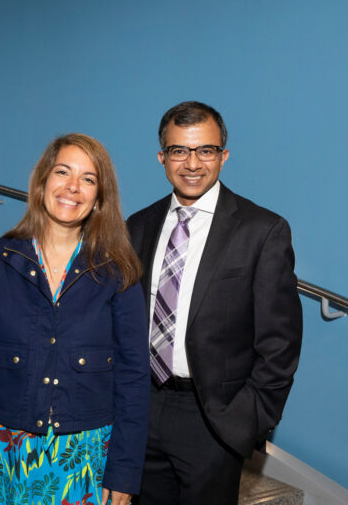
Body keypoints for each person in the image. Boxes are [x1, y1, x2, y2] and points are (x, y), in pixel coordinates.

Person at [0, 133, 150, 505]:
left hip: (84, 460)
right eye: (63, 172)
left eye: (88, 179)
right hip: (2, 453)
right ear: (42, 182)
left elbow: (134, 378)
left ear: (100, 198)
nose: (73, 187)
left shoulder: (118, 270)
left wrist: (124, 470)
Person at [126, 101, 303, 504]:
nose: (192, 163)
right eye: (179, 151)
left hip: (212, 420)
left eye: (205, 150)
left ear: (224, 155)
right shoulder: (138, 226)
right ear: (162, 157)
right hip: (142, 406)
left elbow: (280, 343)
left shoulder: (262, 230)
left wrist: (246, 421)